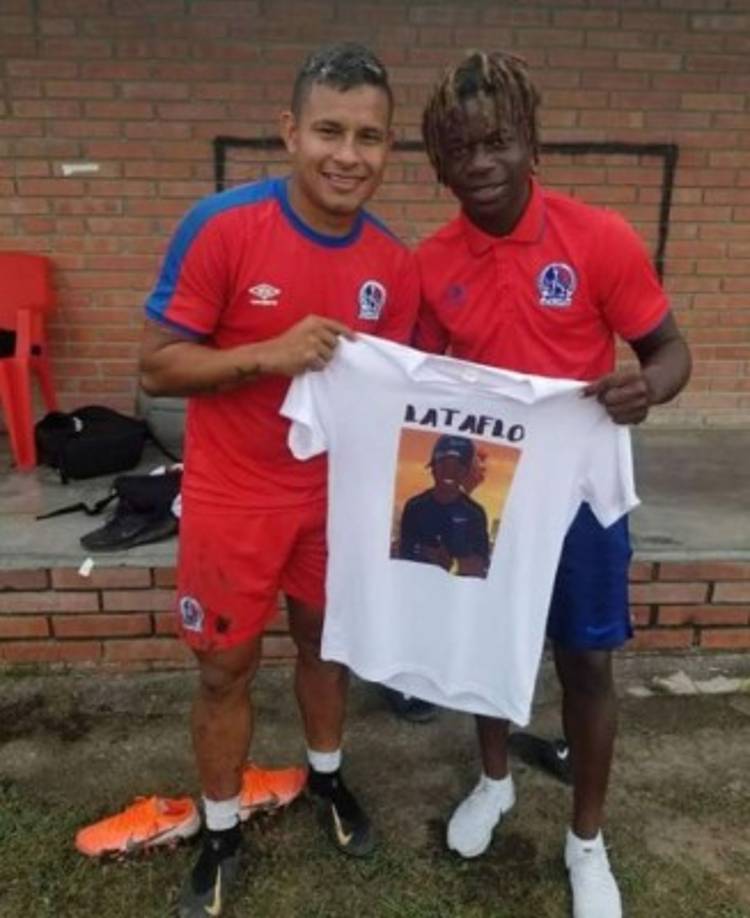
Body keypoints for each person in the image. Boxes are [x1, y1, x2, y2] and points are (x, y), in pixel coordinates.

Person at [139, 43, 418, 917]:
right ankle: (221, 829)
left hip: (335, 500)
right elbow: (155, 366)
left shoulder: (393, 264)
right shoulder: (223, 226)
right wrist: (266, 353)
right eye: (329, 130)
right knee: (224, 670)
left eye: (369, 137)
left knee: (326, 647)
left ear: (388, 148)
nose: (348, 154)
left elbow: (397, 394)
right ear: (290, 131)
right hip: (234, 500)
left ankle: (327, 779)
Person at [416, 51, 691, 918]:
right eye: (460, 150)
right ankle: (494, 782)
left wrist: (650, 387)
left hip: (576, 497)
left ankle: (586, 841)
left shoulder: (598, 238)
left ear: (531, 142)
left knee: (585, 664)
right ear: (440, 166)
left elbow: (670, 352)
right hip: (485, 496)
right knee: (487, 652)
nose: (481, 163)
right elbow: (418, 382)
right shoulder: (431, 262)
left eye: (497, 141)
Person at [398, 434, 490, 578]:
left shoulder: (475, 514)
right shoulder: (414, 506)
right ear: (433, 467)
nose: (450, 471)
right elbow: (402, 554)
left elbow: (482, 566)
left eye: (458, 466)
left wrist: (452, 563)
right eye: (444, 464)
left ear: (466, 472)